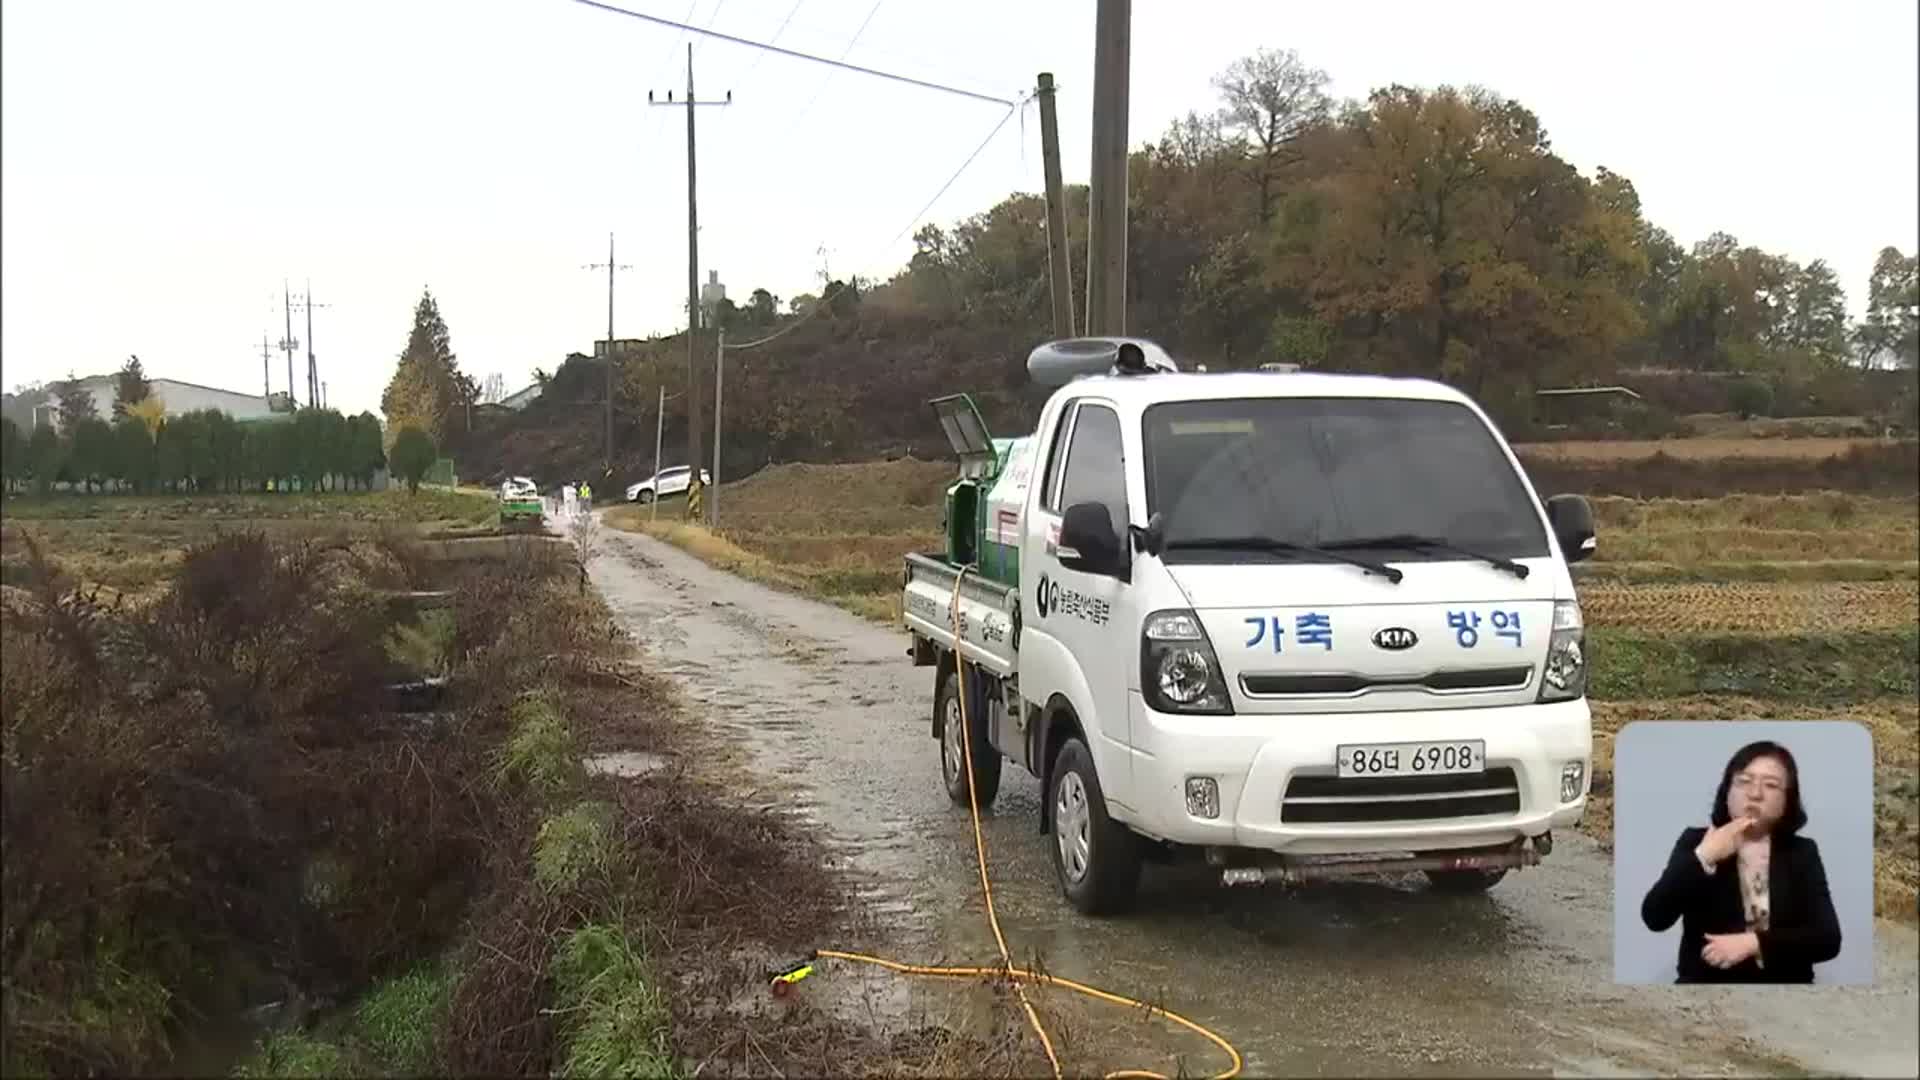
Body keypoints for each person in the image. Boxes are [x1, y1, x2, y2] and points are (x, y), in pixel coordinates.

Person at [1639, 739, 1841, 983]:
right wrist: (1705, 856)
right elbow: (1655, 917)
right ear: (1727, 792)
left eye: (1771, 785)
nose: (1755, 794)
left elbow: (1828, 938)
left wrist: (1753, 943)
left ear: (1787, 800)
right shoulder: (1697, 841)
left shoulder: (1802, 852)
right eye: (1744, 782)